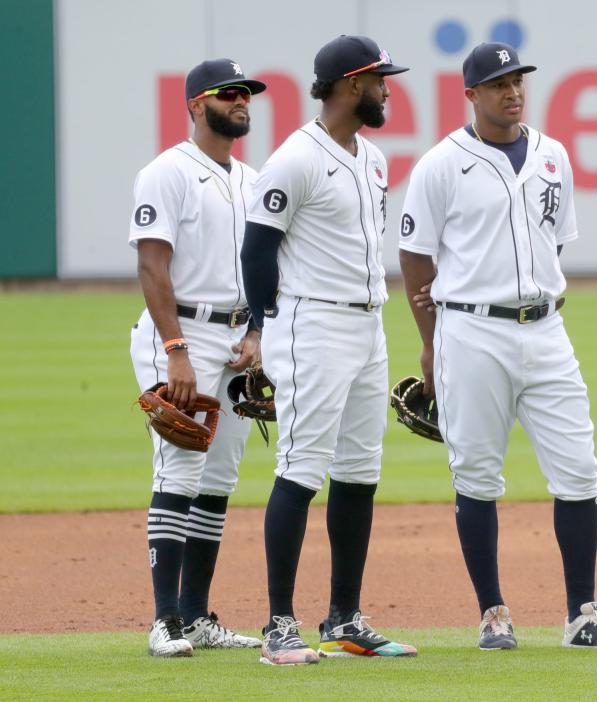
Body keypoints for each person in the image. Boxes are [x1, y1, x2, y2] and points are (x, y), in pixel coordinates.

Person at [398, 42, 597, 651]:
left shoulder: (553, 155)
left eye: (518, 79)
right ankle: (493, 613)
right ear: (471, 94)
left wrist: (537, 293)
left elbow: (554, 243)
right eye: (498, 82)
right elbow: (415, 258)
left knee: (579, 469)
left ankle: (583, 614)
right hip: (471, 330)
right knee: (476, 473)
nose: (513, 90)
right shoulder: (440, 164)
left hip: (546, 328)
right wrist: (431, 346)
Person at [241, 35, 416, 665]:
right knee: (301, 468)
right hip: (310, 326)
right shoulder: (296, 157)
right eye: (378, 79)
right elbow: (257, 247)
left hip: (368, 326)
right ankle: (278, 626)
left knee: (360, 472)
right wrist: (259, 330)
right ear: (350, 85)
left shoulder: (371, 158)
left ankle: (344, 617)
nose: (388, 88)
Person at [129, 58, 266, 657]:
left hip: (237, 341)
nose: (242, 101)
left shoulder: (252, 179)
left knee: (219, 478)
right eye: (228, 93)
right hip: (181, 332)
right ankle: (163, 621)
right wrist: (175, 352)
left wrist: (259, 335)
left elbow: (266, 271)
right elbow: (151, 266)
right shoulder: (166, 174)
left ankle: (195, 618)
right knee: (179, 468)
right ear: (195, 105)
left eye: (247, 93)